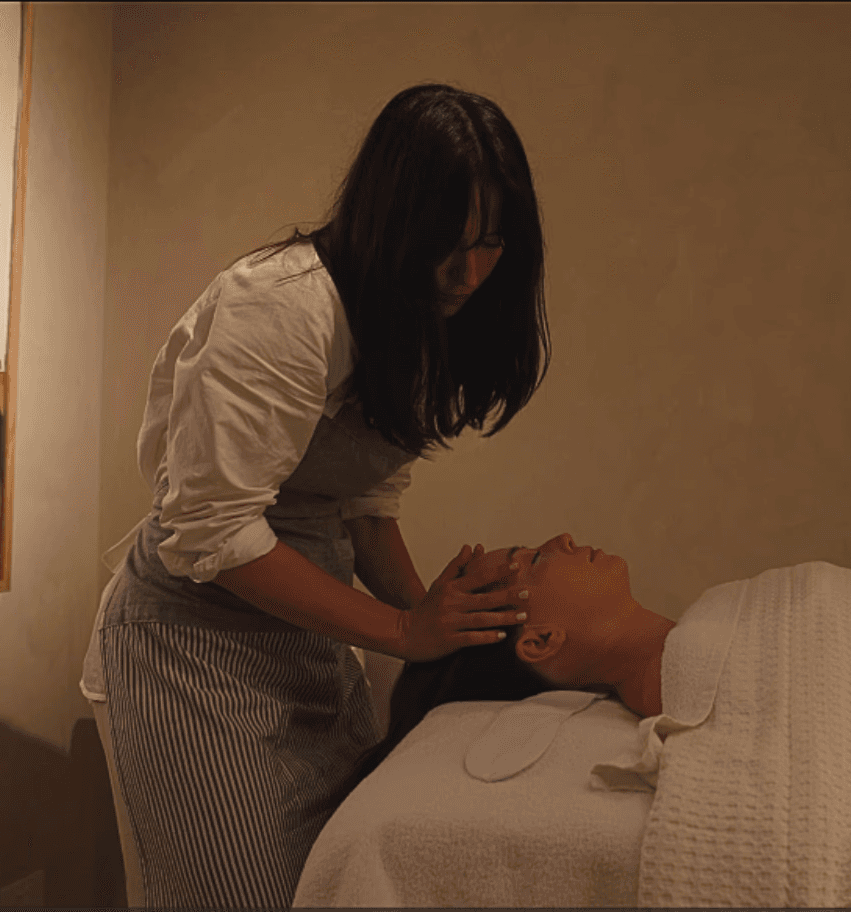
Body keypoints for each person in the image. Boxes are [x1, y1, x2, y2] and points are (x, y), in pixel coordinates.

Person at [79, 83, 550, 908]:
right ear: (395, 220)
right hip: (196, 645)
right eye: (451, 242)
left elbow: (365, 504)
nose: (472, 273)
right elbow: (213, 533)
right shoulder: (281, 309)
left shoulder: (416, 319)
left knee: (333, 886)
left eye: (493, 243)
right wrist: (409, 628)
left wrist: (442, 618)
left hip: (310, 634)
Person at [349, 532, 661, 784]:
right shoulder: (672, 684)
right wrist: (407, 629)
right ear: (541, 641)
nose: (563, 539)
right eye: (536, 560)